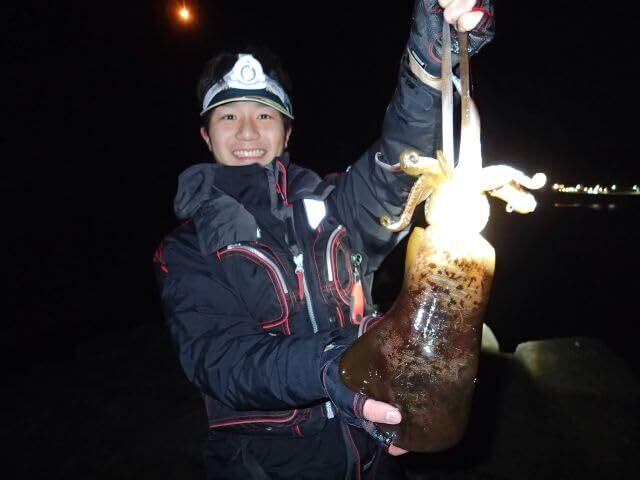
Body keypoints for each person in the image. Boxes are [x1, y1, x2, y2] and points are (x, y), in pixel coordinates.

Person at [154, 1, 494, 478]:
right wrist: (339, 362)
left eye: (265, 115)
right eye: (228, 116)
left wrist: (436, 44)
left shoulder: (338, 208)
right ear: (206, 135)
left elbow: (403, 157)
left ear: (287, 131)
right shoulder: (185, 250)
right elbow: (222, 362)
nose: (247, 131)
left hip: (374, 460)